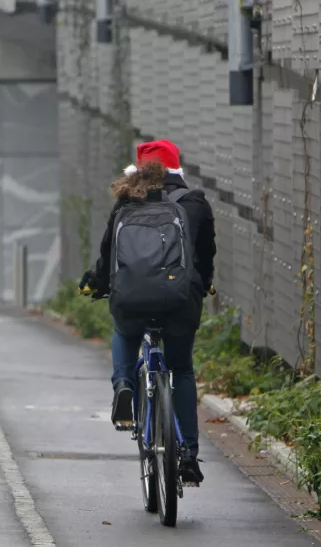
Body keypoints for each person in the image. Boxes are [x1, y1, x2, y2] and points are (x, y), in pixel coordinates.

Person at [78, 139, 216, 485]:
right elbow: (205, 255)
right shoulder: (194, 202)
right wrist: (204, 283)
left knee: (125, 331)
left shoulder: (127, 203)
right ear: (175, 168)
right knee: (181, 368)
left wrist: (95, 283)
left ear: (140, 171)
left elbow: (109, 254)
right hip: (181, 301)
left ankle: (124, 384)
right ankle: (188, 457)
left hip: (133, 299)